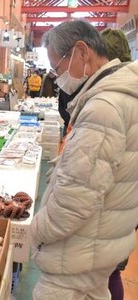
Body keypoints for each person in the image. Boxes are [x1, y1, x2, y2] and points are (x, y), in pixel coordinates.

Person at [31, 20, 138, 299]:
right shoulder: (122, 95)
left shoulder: (103, 107)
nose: (58, 77)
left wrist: (36, 231)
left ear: (81, 52)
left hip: (78, 254)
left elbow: (75, 198)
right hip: (99, 244)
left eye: (58, 67)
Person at [100, 27, 132, 300]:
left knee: (106, 272)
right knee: (113, 272)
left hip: (115, 202)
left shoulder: (111, 97)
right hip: (128, 204)